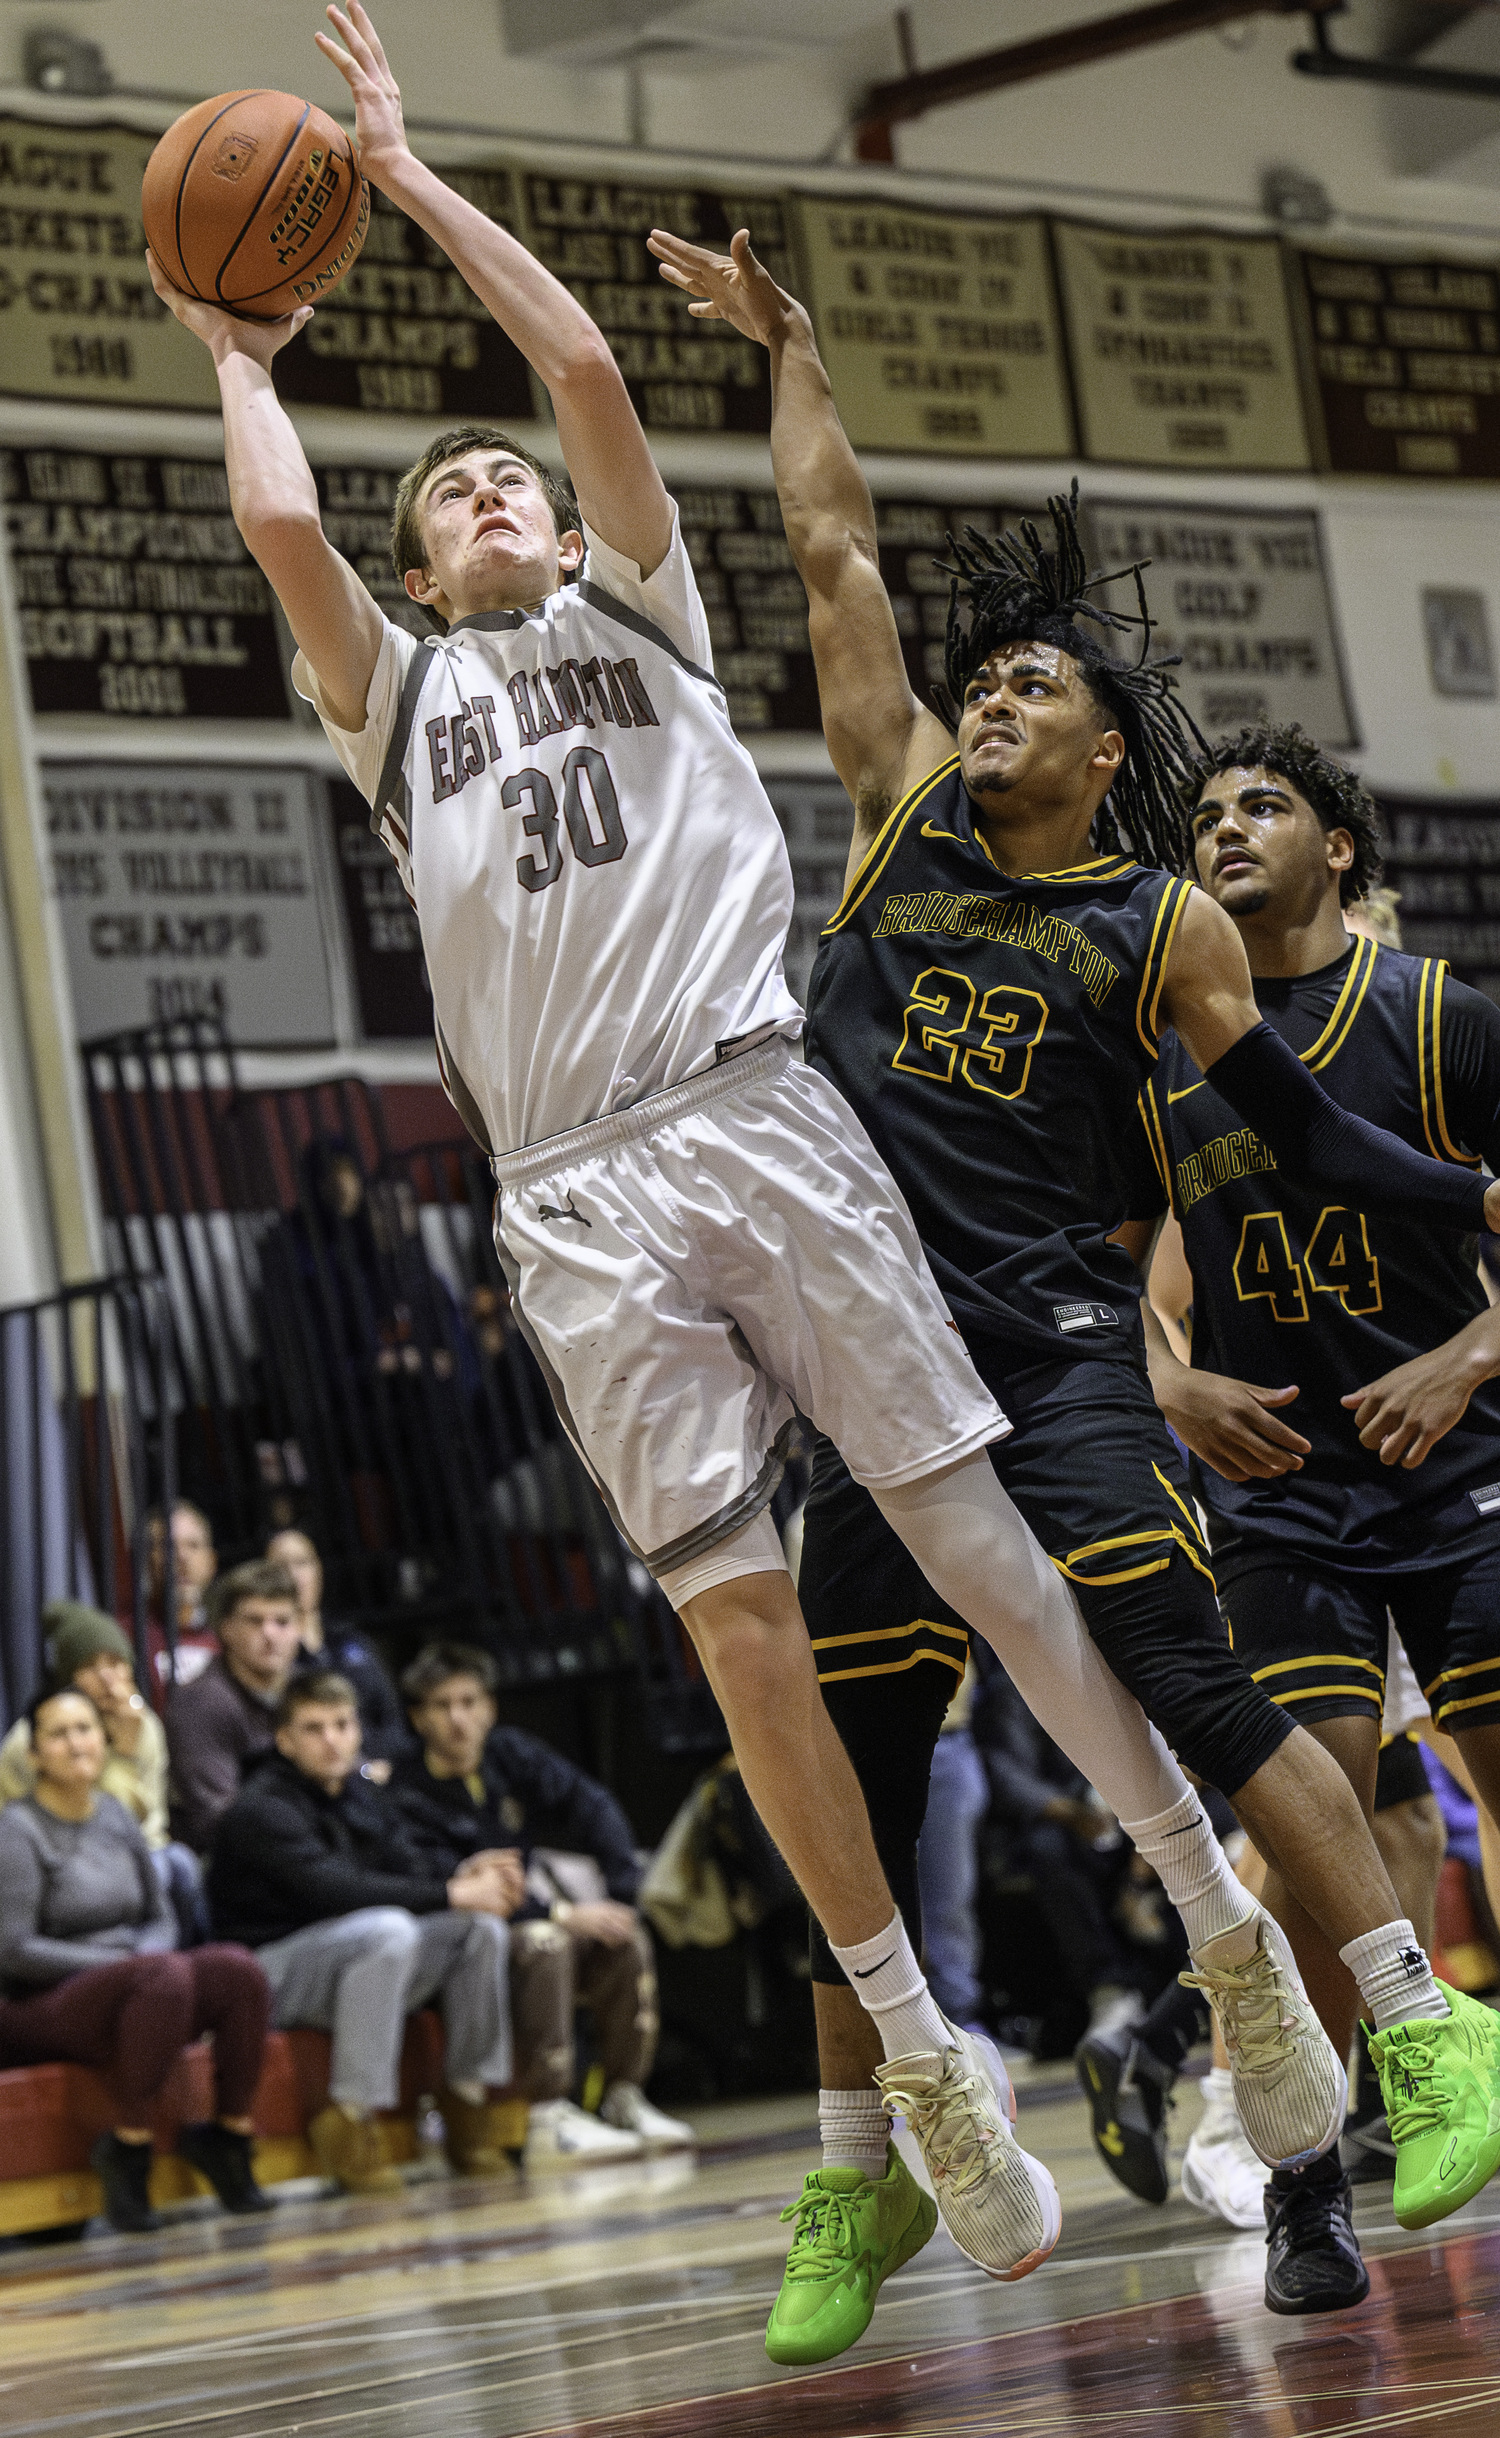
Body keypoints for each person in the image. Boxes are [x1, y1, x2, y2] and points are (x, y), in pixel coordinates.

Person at [147, 2, 1315, 2291]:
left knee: (976, 1547)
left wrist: (398, 177)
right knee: (745, 1644)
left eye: (505, 488)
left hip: (755, 1115)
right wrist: (232, 339)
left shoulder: (640, 611)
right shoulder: (402, 701)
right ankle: (922, 2065)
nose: (486, 498)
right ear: (427, 567)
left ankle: (1221, 1919)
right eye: (448, 499)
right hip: (577, 1196)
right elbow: (282, 523)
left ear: (568, 529)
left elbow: (583, 369)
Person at [644, 224, 1500, 2361]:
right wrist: (800, 351)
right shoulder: (900, 814)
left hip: (1045, 1349)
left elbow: (1298, 1138)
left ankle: (1422, 2037)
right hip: (867, 1360)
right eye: (992, 680)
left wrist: (1438, 1180)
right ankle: (862, 2180)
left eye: (1039, 688)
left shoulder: (1155, 928)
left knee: (1206, 1704)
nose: (997, 695)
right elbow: (834, 552)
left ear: (1107, 756)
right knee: (845, 1758)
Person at [1138, 725, 1500, 2309]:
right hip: (1286, 1495)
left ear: (1339, 847)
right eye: (1206, 813)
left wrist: (1470, 1349)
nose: (1224, 828)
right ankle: (1303, 2174)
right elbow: (1114, 1277)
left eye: (1263, 805)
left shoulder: (1440, 1018)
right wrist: (1173, 1390)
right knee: (1319, 1811)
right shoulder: (1159, 1049)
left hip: (1462, 1464)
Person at [207, 1670, 518, 2192]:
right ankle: (350, 2118)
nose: (331, 1740)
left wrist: (462, 1878)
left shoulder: (363, 1794)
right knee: (388, 1928)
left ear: (358, 1732)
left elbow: (406, 1866)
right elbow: (335, 1890)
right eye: (313, 1728)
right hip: (270, 1975)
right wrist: (448, 1892)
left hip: (360, 1967)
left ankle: (466, 2103)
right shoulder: (261, 1809)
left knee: (478, 1931)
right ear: (284, 1740)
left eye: (342, 1725)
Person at [393, 1643, 691, 2164]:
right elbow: (460, 1892)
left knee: (623, 1936)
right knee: (545, 1940)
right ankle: (547, 2113)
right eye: (442, 1706)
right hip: (465, 1941)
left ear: (489, 1707)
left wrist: (622, 1892)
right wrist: (562, 1913)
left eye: (469, 1701)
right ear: (419, 1718)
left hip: (525, 1914)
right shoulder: (406, 1790)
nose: (458, 1718)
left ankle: (624, 2096)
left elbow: (591, 1803)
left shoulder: (508, 1754)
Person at [0, 1687, 271, 2232]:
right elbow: (12, 1948)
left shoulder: (118, 1815)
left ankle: (229, 2136)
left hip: (141, 1983)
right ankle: (128, 2145)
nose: (77, 1743)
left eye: (86, 1729)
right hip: (43, 2000)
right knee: (163, 1975)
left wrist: (142, 1956)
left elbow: (161, 1916)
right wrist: (111, 1964)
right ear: (33, 1756)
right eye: (59, 1733)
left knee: (236, 1970)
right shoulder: (15, 1830)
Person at [0, 1601, 205, 1944]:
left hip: (136, 1847)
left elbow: (149, 1820)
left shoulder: (144, 1725)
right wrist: (123, 1757)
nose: (108, 1678)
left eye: (116, 1662)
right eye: (90, 1666)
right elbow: (92, 1818)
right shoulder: (32, 1740)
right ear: (68, 1676)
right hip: (58, 1857)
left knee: (178, 1864)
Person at [166, 1561, 305, 1852]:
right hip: (235, 1862)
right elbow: (217, 1817)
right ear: (226, 1629)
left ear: (300, 1627)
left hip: (303, 1842)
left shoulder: (306, 1688)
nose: (270, 1633)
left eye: (282, 1621)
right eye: (254, 1621)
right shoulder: (202, 1703)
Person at [266, 1528, 408, 1773]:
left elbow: (389, 1716)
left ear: (318, 1570)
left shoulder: (350, 1639)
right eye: (282, 1566)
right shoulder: (271, 1653)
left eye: (303, 1562)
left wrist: (390, 1764)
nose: (294, 1575)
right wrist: (362, 1770)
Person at [143, 1500, 219, 1699]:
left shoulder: (230, 1634)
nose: (181, 1556)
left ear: (211, 1562)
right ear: (147, 1560)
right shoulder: (128, 1635)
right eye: (167, 1545)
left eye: (193, 1546)